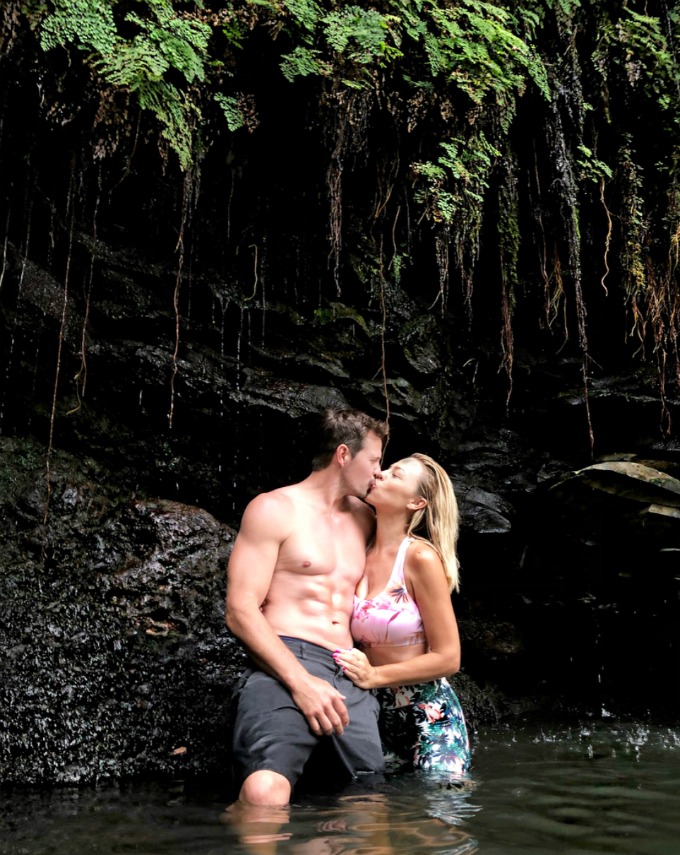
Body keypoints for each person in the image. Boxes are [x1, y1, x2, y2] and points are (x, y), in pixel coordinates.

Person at [225, 408, 389, 807]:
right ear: (344, 455)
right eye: (375, 460)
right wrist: (300, 683)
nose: (379, 473)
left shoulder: (368, 519)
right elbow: (240, 609)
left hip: (349, 669)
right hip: (287, 657)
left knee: (370, 800)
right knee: (266, 792)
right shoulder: (274, 509)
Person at [334, 453, 471, 777]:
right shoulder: (358, 551)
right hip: (373, 713)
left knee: (436, 816)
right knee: (377, 813)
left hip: (429, 714)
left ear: (416, 503)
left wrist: (375, 676)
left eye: (396, 475)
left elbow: (448, 658)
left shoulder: (419, 558)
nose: (379, 474)